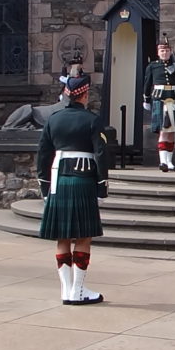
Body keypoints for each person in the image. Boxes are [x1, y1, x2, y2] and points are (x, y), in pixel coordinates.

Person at [37, 66, 109, 305]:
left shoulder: (53, 120)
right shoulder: (92, 120)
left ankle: (66, 290)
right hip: (83, 178)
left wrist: (45, 187)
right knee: (84, 237)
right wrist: (102, 187)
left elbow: (43, 155)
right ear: (85, 95)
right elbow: (100, 154)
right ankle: (78, 290)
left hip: (58, 180)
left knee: (63, 236)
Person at [143, 38, 175, 171]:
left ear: (170, 51)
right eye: (162, 50)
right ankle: (162, 161)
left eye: (167, 50)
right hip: (160, 99)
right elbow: (147, 84)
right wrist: (146, 99)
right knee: (164, 131)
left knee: (171, 132)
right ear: (158, 52)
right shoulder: (152, 66)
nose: (165, 53)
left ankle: (169, 162)